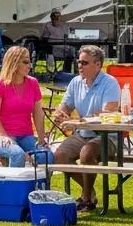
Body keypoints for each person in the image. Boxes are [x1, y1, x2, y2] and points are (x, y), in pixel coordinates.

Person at [52, 44, 121, 211]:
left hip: (107, 136)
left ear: (98, 64)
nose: (79, 66)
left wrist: (81, 120)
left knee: (87, 152)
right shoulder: (75, 82)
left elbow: (107, 113)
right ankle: (89, 193)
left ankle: (86, 198)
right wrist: (60, 114)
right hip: (83, 133)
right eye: (79, 62)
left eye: (84, 63)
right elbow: (64, 107)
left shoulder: (110, 83)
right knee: (60, 155)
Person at [0, 45, 51, 167]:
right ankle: (13, 185)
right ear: (14, 63)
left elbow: (38, 113)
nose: (29, 66)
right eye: (25, 62)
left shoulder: (33, 83)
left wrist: (42, 140)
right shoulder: (0, 84)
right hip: (0, 135)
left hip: (25, 135)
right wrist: (4, 136)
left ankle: (43, 185)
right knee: (17, 154)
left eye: (30, 62)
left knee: (46, 155)